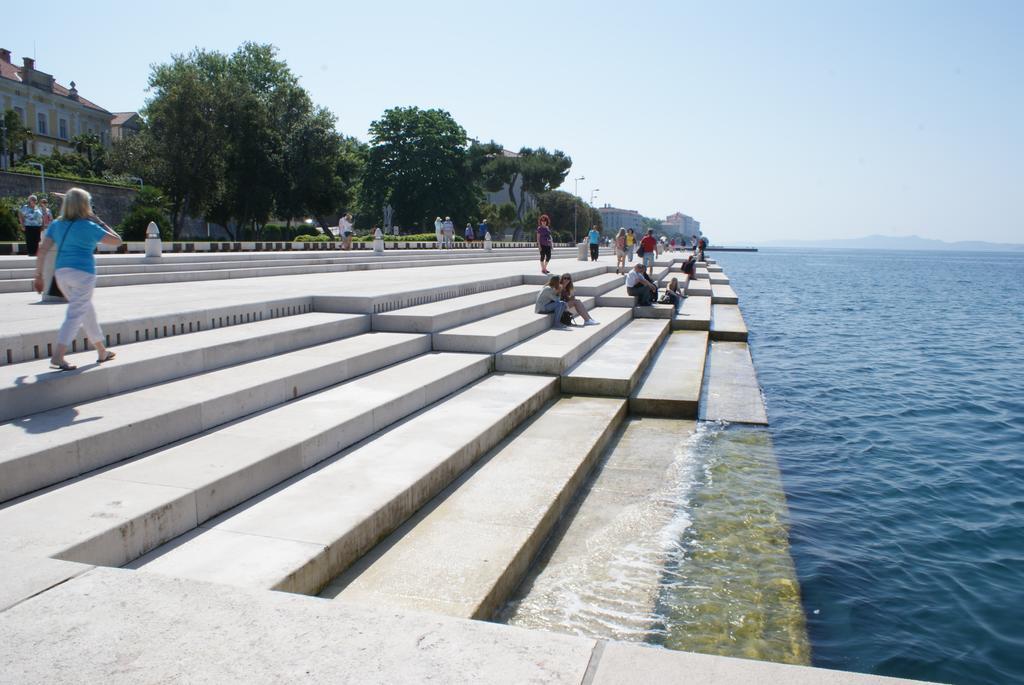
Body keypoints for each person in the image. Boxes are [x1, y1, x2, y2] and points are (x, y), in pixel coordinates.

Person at [32, 188, 123, 371]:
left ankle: (101, 350)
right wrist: (98, 220)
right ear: (85, 206)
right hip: (83, 274)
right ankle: (58, 356)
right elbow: (117, 241)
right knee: (76, 314)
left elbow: (42, 250)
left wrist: (39, 276)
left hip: (61, 274)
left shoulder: (57, 225)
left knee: (85, 309)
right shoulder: (89, 226)